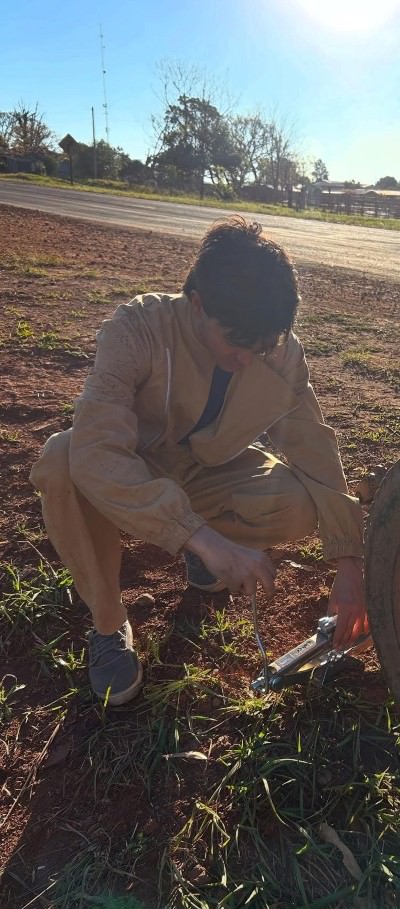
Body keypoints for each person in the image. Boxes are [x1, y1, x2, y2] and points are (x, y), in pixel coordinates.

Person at [30, 216, 368, 706]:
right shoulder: (137, 328)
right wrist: (208, 540)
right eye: (236, 342)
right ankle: (108, 624)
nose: (249, 358)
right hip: (135, 470)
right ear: (197, 304)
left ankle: (198, 552)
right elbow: (97, 449)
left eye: (262, 345)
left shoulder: (280, 352)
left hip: (207, 472)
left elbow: (313, 446)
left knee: (297, 502)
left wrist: (349, 563)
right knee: (62, 460)